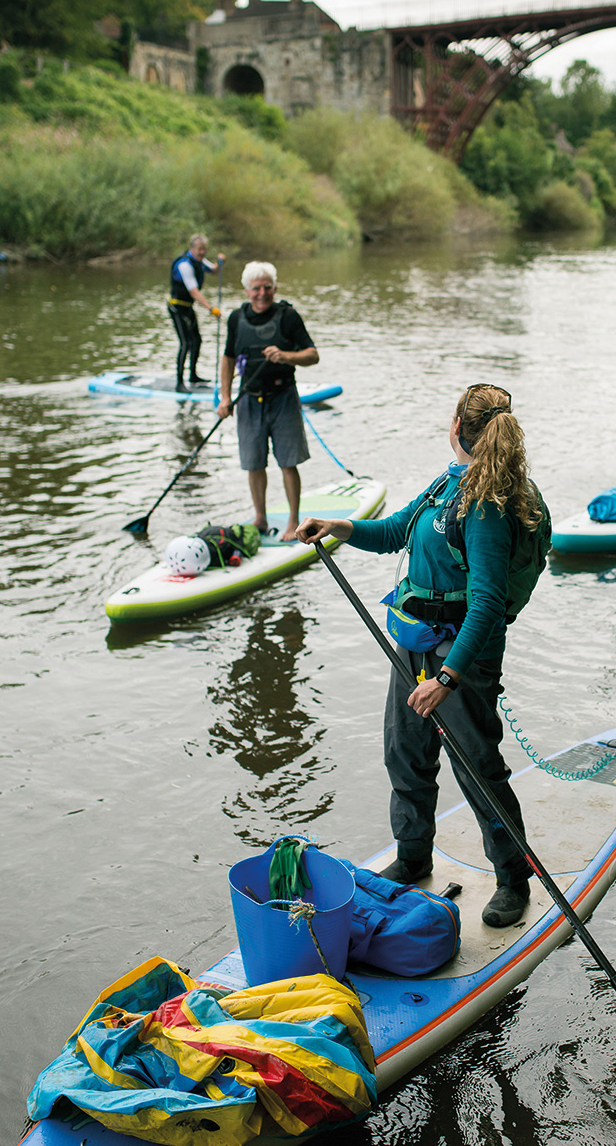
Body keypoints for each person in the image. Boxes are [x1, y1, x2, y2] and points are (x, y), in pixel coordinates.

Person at [297, 383, 541, 929]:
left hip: (461, 656)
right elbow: (393, 532)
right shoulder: (444, 484)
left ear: (458, 426)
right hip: (412, 640)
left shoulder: (486, 508)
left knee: (478, 768)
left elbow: (487, 604)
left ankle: (512, 879)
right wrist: (338, 528)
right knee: (404, 753)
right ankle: (412, 857)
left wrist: (448, 679)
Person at [217, 261, 319, 541]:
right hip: (249, 400)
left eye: (267, 287)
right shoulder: (236, 318)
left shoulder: (288, 316)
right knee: (253, 463)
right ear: (247, 290)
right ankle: (259, 518)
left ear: (275, 288)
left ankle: (292, 521)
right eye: (256, 288)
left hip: (283, 397)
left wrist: (286, 356)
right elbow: (227, 358)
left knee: (288, 462)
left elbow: (312, 355)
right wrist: (225, 397)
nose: (262, 293)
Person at [168, 233, 223, 391]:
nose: (202, 253)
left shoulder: (198, 260)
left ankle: (193, 376)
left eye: (204, 249)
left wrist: (220, 263)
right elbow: (194, 291)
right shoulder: (184, 265)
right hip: (177, 307)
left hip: (188, 307)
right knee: (186, 343)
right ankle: (179, 382)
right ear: (192, 248)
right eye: (199, 249)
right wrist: (211, 308)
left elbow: (213, 271)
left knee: (197, 341)